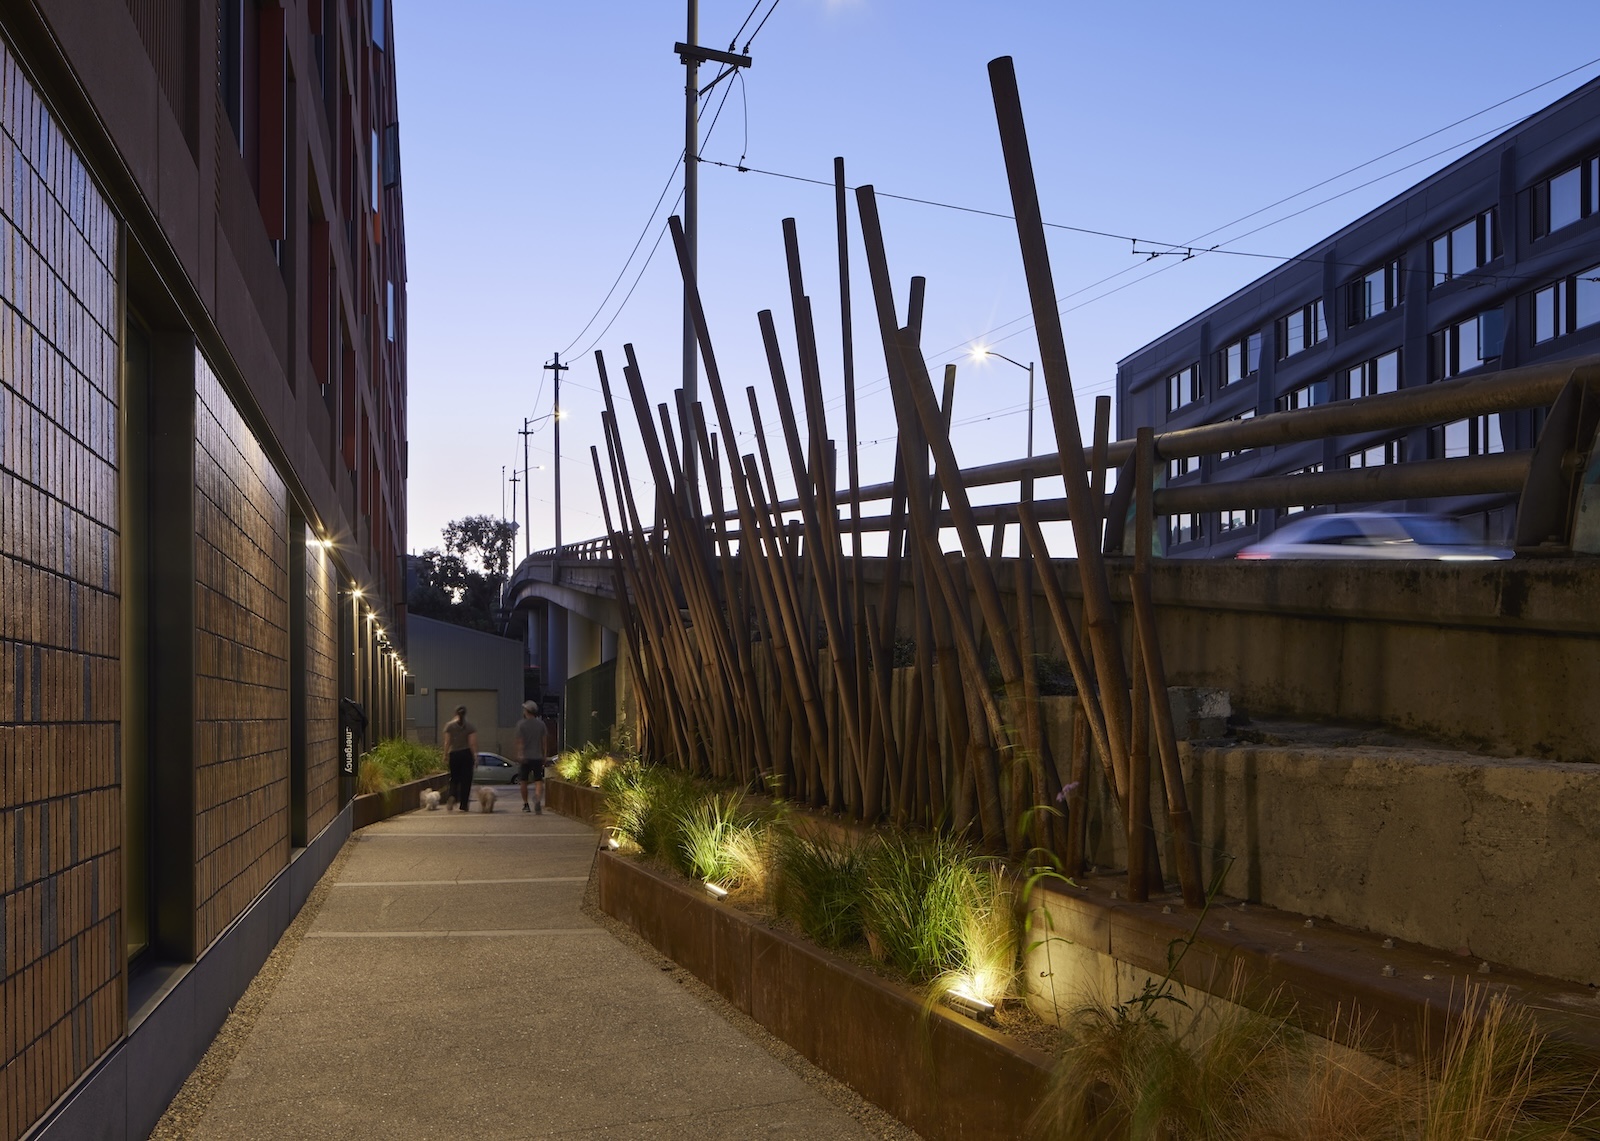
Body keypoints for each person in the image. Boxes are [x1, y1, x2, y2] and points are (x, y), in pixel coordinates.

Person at [442, 706, 477, 811]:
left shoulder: (449, 726)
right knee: (466, 780)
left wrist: (445, 754)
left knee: (454, 778)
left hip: (454, 754)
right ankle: (464, 804)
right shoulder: (470, 726)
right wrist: (475, 756)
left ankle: (452, 795)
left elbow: (447, 742)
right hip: (466, 754)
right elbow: (472, 743)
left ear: (455, 713)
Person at [513, 700, 544, 814]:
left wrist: (519, 754)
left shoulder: (521, 724)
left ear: (526, 711)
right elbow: (544, 741)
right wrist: (544, 755)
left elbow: (519, 741)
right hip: (537, 756)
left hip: (525, 757)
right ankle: (537, 798)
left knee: (523, 781)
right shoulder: (541, 724)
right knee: (538, 780)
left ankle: (526, 804)